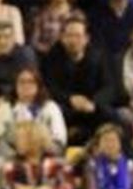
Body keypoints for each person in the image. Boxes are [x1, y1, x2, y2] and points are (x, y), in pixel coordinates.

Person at [40, 15, 114, 143]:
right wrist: (70, 99)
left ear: (86, 39)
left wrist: (93, 103)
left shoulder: (99, 57)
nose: (73, 40)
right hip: (65, 106)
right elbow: (49, 87)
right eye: (69, 35)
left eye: (78, 36)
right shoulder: (51, 58)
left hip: (91, 106)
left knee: (113, 115)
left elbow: (109, 87)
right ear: (62, 38)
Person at [0, 67, 67, 157]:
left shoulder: (51, 107)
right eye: (22, 82)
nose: (26, 85)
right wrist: (14, 158)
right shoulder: (4, 109)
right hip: (11, 159)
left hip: (45, 159)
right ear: (15, 85)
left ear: (38, 85)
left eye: (31, 81)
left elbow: (59, 141)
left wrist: (40, 157)